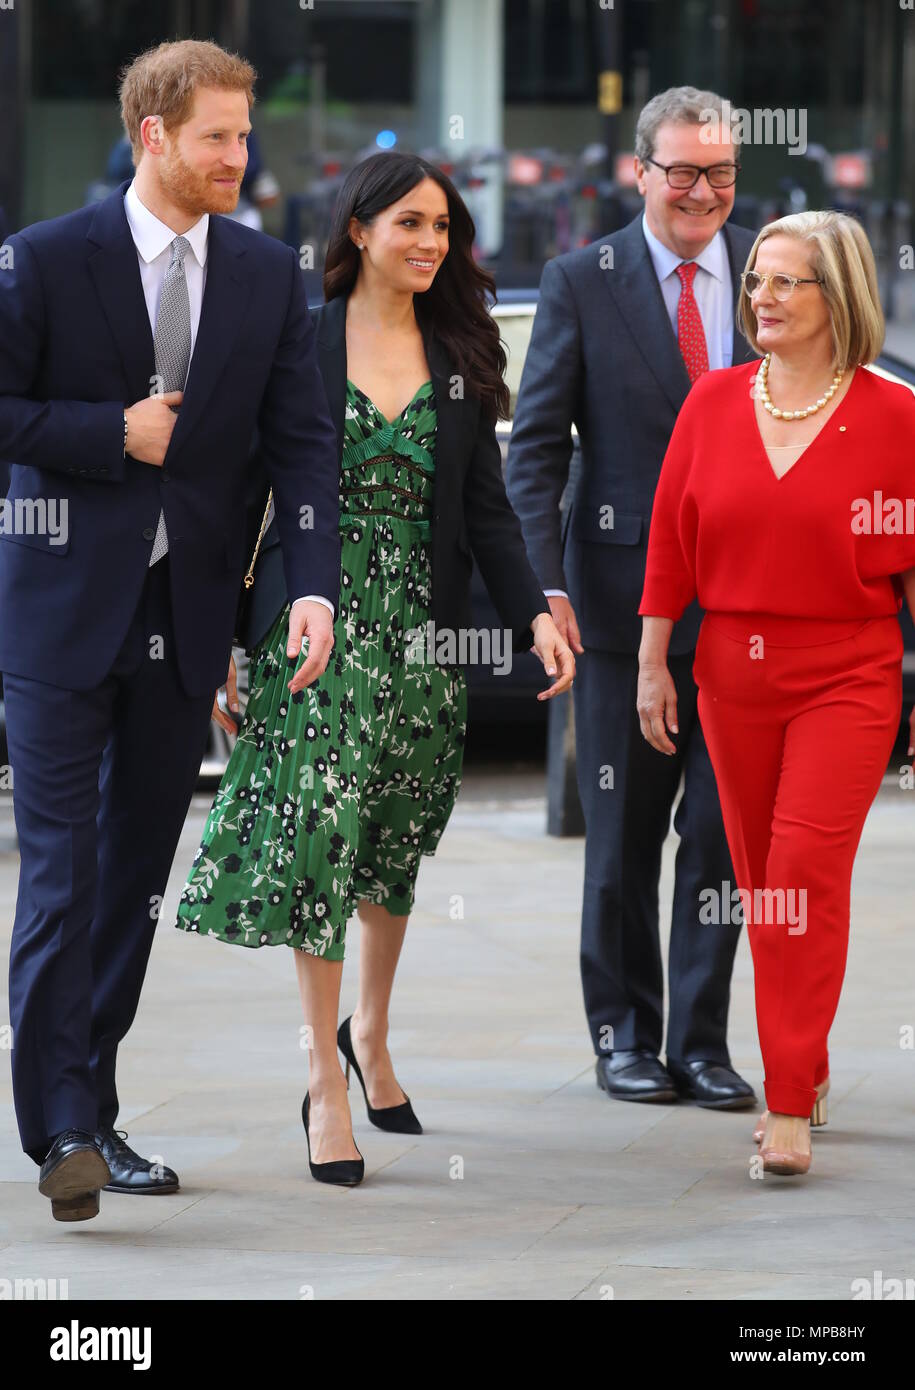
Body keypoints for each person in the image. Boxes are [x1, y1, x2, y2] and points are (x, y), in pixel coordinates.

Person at [174, 151, 575, 1186]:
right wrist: (223, 632)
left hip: (421, 635)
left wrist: (533, 611)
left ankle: (372, 1033)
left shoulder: (460, 346)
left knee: (389, 842)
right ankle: (322, 1076)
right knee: (322, 833)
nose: (431, 242)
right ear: (357, 229)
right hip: (315, 624)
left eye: (444, 226)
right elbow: (237, 495)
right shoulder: (295, 340)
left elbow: (486, 505)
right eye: (410, 222)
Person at [0, 39, 341, 1221]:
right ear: (154, 136)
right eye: (218, 138)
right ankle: (57, 1135)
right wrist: (111, 434)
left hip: (182, 618)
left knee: (134, 879)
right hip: (55, 615)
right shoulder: (46, 260)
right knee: (62, 874)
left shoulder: (261, 274)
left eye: (246, 136)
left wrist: (310, 583)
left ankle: (89, 1108)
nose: (239, 158)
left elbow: (302, 441)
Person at [638, 209, 915, 1175]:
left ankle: (787, 1098)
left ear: (837, 296)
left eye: (785, 281)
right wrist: (649, 663)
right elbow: (670, 543)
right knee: (766, 894)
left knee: (799, 874)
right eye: (754, 278)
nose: (759, 295)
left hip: (848, 672)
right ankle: (809, 1053)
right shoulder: (711, 402)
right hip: (729, 680)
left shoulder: (895, 415)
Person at [506, 87, 757, 1111]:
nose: (703, 192)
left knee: (723, 841)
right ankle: (623, 1035)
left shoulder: (769, 273)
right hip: (615, 612)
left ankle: (701, 1042)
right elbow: (535, 454)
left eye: (722, 174)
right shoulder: (581, 277)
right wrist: (548, 588)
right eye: (683, 171)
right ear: (640, 173)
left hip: (749, 610)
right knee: (619, 841)